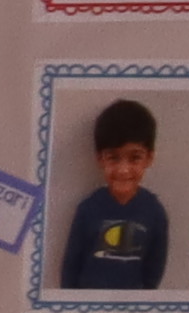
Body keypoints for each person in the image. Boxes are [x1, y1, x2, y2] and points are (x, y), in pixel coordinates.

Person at [55, 97, 179, 290]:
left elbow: (154, 267)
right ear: (100, 159)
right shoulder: (87, 209)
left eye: (134, 158)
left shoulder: (155, 212)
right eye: (113, 158)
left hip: (131, 306)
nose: (123, 170)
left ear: (149, 158)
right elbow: (71, 266)